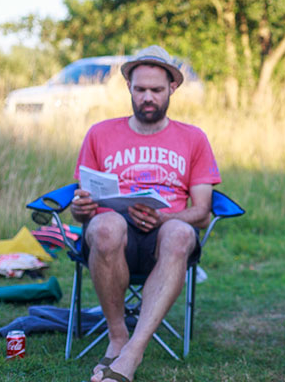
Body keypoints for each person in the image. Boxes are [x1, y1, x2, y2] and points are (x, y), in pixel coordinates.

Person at [70, 45, 221, 382]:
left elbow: (202, 212)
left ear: (172, 88)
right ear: (129, 88)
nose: (147, 97)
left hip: (166, 235)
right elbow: (84, 206)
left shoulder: (193, 138)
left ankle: (132, 352)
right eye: (140, 90)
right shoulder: (99, 133)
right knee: (105, 226)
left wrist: (164, 218)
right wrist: (80, 210)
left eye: (156, 89)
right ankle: (117, 336)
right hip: (112, 238)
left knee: (180, 233)